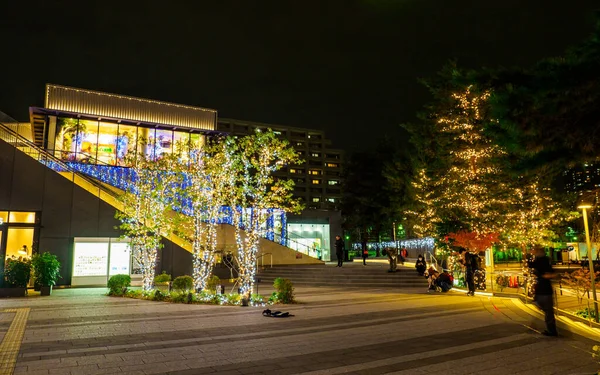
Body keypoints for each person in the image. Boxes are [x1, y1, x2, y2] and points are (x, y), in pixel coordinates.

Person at [529, 245, 558, 336]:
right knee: (546, 309)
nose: (532, 251)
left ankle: (552, 330)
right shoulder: (539, 260)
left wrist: (543, 276)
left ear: (538, 251)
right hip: (542, 289)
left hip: (544, 290)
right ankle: (551, 329)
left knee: (547, 310)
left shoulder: (543, 261)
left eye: (534, 250)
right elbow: (531, 265)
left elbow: (551, 273)